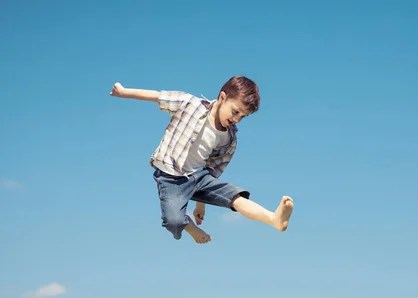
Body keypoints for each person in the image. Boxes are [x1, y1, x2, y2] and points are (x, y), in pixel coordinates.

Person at [109, 76, 294, 244]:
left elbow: (211, 171)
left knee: (235, 197)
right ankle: (189, 227)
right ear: (222, 98)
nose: (236, 119)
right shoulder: (190, 104)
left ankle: (273, 218)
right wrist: (124, 92)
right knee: (173, 221)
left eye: (242, 117)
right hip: (171, 177)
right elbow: (157, 96)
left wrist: (201, 206)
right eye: (235, 111)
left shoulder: (229, 139)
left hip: (200, 177)